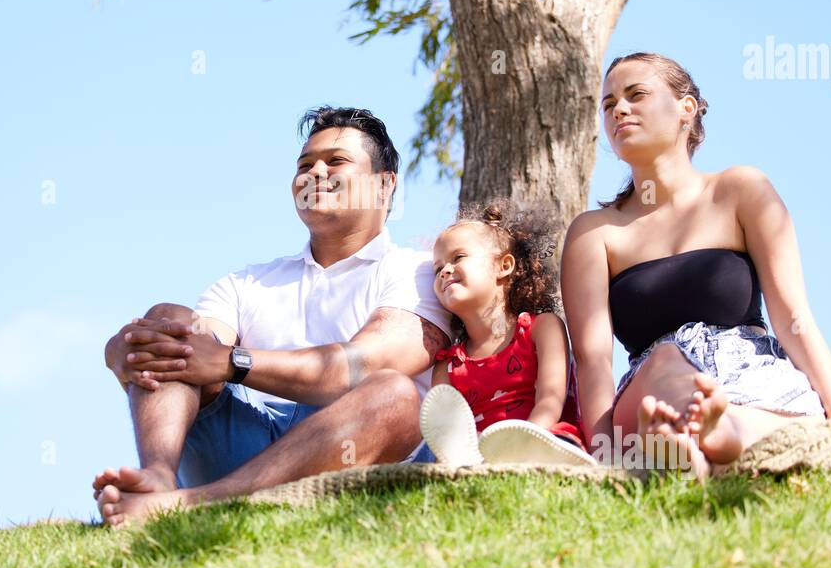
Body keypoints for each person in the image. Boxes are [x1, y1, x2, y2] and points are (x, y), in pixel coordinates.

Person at [92, 106, 451, 525]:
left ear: (384, 185)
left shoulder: (419, 270)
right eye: (304, 164)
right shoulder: (248, 282)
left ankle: (197, 504)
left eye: (336, 161)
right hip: (248, 449)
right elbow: (192, 347)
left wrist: (232, 362)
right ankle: (157, 478)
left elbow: (367, 364)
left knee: (395, 393)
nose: (314, 172)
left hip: (358, 450)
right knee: (170, 319)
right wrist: (128, 349)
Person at [561, 52, 831, 478]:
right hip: (654, 388)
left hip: (754, 378)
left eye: (635, 94)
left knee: (793, 428)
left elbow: (793, 317)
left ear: (687, 109)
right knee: (665, 361)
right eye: (608, 105)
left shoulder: (740, 190)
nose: (619, 109)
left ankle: (705, 444)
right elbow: (592, 361)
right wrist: (602, 454)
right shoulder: (595, 232)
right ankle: (700, 435)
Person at [420, 203, 593, 468]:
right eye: (437, 268)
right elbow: (445, 430)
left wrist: (523, 447)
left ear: (504, 266)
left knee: (561, 443)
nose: (444, 271)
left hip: (544, 438)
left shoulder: (541, 328)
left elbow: (551, 398)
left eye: (458, 258)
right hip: (477, 456)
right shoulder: (448, 364)